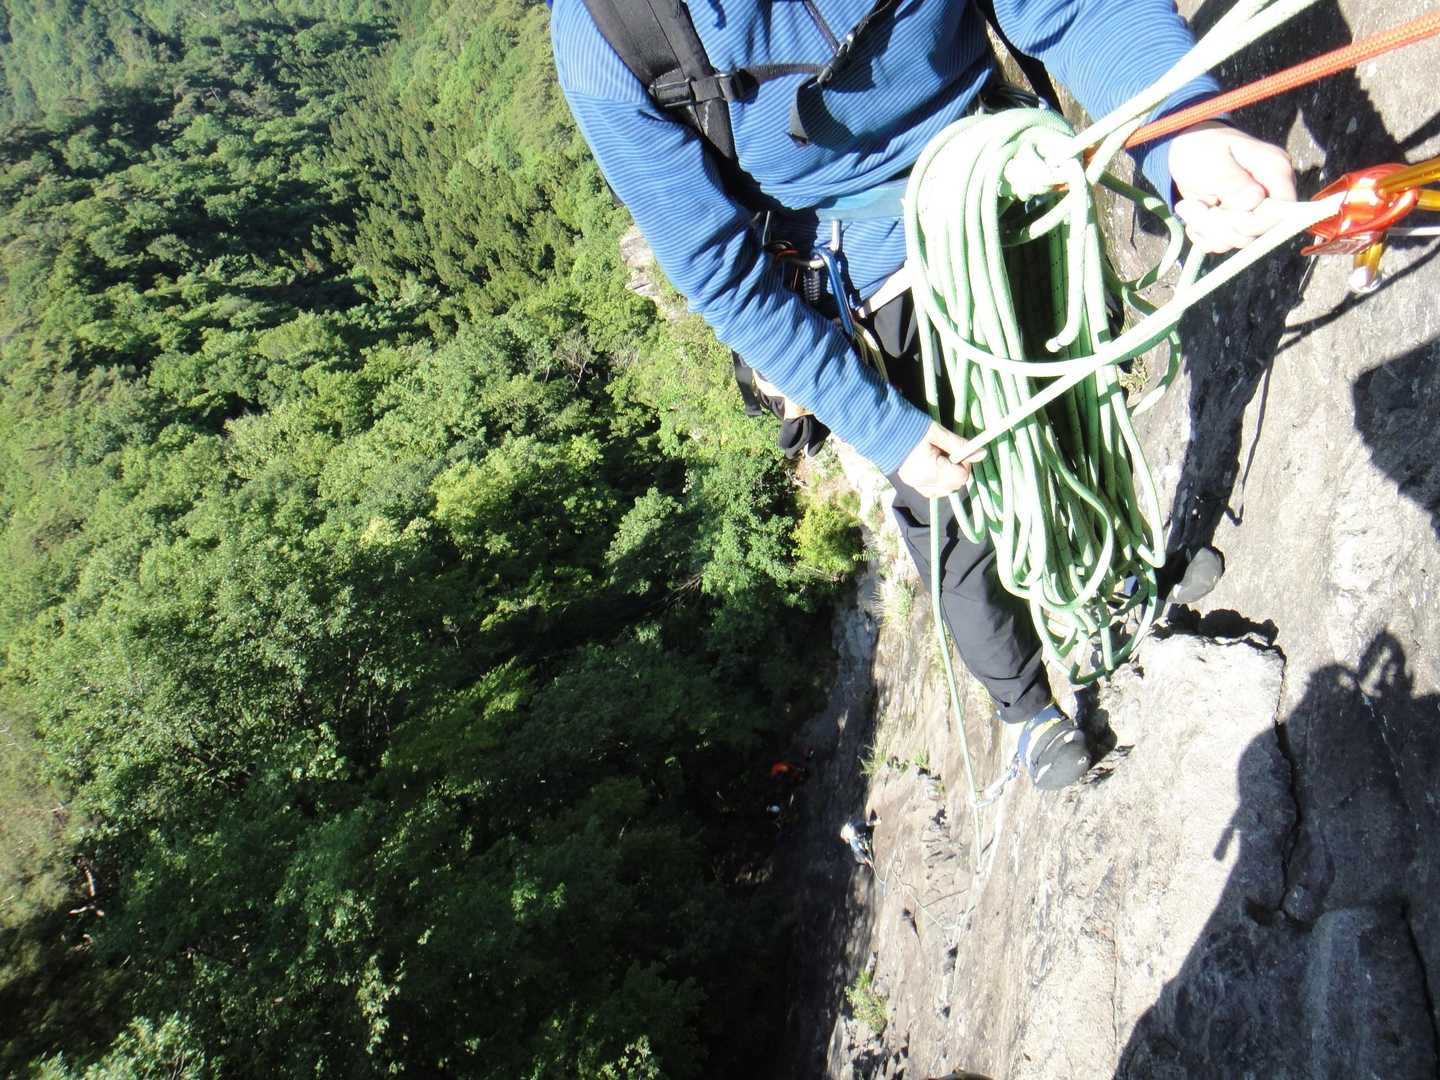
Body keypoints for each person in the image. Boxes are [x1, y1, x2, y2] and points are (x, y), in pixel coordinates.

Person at [550, 0, 1296, 790]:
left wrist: (1183, 132)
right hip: (870, 278)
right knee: (955, 514)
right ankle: (1026, 710)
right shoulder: (611, 36)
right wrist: (882, 425)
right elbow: (720, 272)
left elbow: (1069, 8)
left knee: (1074, 405)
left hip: (1011, 188)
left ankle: (1115, 580)